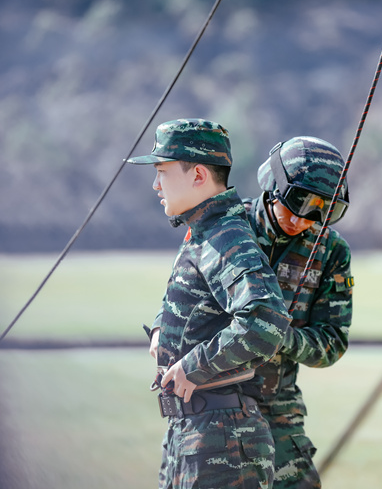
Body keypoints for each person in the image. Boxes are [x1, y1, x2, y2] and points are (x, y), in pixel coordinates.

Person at [127, 118, 292, 489]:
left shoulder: (225, 235)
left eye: (163, 172)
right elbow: (196, 298)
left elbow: (266, 321)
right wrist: (160, 329)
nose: (156, 184)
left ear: (198, 174)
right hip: (199, 433)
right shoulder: (205, 231)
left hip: (222, 442)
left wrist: (194, 366)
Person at [243, 136, 354, 489]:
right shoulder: (228, 228)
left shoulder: (330, 251)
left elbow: (332, 343)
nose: (307, 218)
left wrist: (283, 338)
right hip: (211, 407)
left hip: (278, 412)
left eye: (326, 209)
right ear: (274, 183)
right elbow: (179, 302)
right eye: (300, 201)